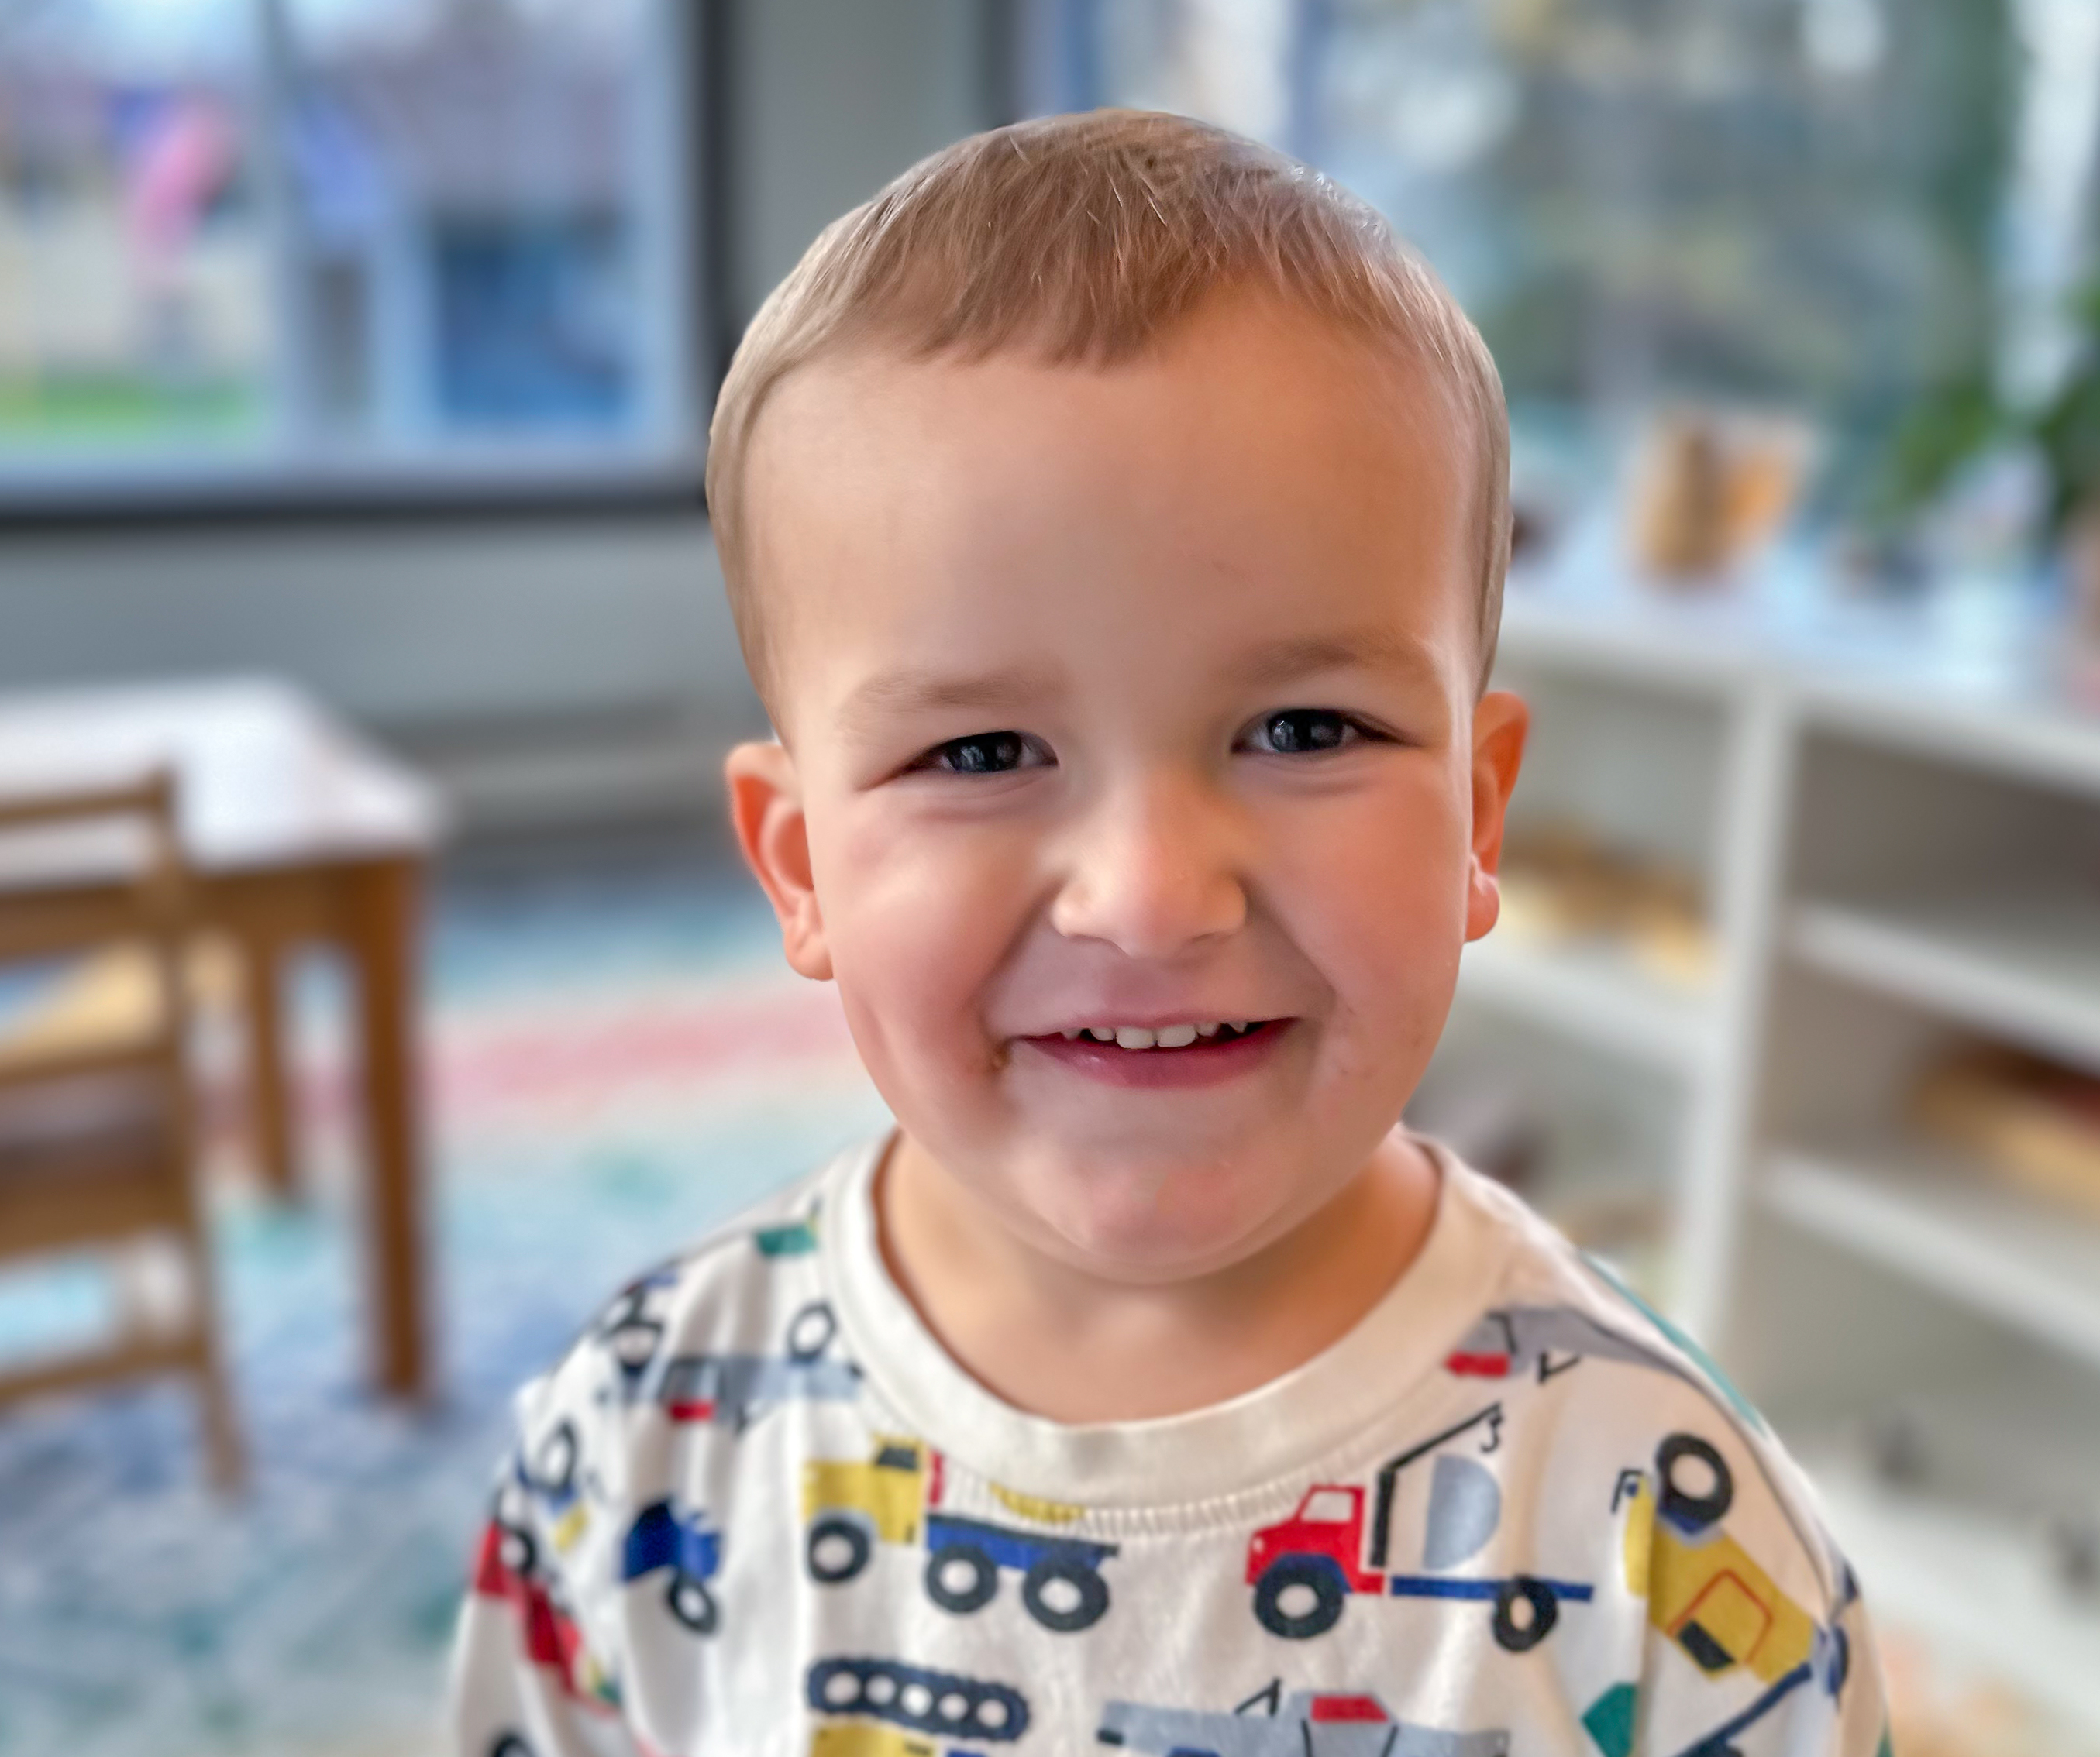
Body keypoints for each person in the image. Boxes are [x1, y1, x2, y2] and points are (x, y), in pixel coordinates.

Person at [449, 109, 1888, 1757]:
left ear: (1480, 819)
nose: (1147, 898)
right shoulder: (640, 1436)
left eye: (1303, 730)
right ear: (801, 872)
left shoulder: (1669, 1527)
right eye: (980, 754)